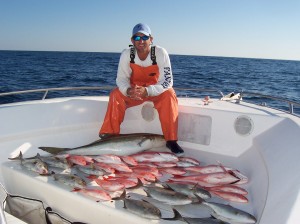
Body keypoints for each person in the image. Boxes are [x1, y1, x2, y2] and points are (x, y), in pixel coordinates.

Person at [99, 23, 184, 155]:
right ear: (132, 41)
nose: (141, 41)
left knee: (169, 95)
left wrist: (148, 90)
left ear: (151, 39)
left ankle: (171, 140)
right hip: (135, 92)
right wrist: (128, 91)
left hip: (155, 91)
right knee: (116, 94)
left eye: (144, 37)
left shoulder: (161, 53)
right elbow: (121, 79)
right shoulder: (127, 54)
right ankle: (109, 135)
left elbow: (168, 81)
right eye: (137, 38)